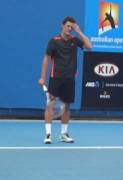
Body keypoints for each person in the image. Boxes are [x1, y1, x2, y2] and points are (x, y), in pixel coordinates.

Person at [38, 16, 92, 144]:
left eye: (71, 27)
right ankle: (48, 134)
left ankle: (63, 134)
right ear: (62, 26)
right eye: (68, 26)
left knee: (66, 107)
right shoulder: (53, 41)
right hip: (55, 78)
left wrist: (78, 32)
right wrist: (42, 77)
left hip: (69, 79)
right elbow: (46, 59)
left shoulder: (75, 40)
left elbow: (89, 46)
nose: (69, 29)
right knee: (50, 105)